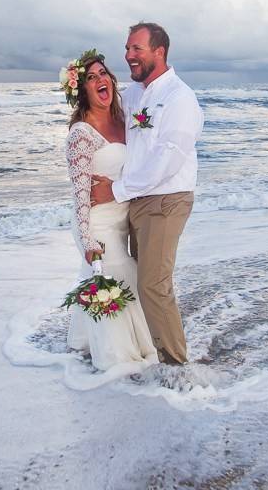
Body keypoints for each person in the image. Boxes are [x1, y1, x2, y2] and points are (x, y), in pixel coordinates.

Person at [90, 22, 203, 366]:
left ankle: (177, 366)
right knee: (142, 280)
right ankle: (152, 349)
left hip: (167, 199)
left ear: (159, 51)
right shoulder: (136, 93)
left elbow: (166, 161)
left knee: (153, 284)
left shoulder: (180, 99)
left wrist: (116, 190)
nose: (128, 56)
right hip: (137, 200)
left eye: (136, 49)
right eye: (127, 49)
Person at [63, 49, 159, 372]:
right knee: (117, 277)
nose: (100, 79)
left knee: (131, 279)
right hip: (99, 227)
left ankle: (95, 345)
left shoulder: (124, 122)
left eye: (103, 73)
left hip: (124, 221)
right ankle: (117, 361)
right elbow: (79, 198)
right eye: (91, 78)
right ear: (83, 91)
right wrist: (87, 242)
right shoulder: (81, 135)